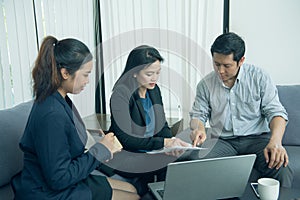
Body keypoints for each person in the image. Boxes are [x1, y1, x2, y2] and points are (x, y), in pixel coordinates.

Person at [11, 36, 140, 200]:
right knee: (133, 198)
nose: (87, 81)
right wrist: (101, 150)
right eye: (85, 75)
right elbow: (58, 179)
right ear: (65, 73)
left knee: (132, 189)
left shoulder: (59, 98)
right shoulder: (51, 114)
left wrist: (97, 141)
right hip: (47, 192)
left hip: (64, 181)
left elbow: (64, 138)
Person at [189, 32, 293, 188]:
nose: (220, 71)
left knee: (282, 168)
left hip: (257, 140)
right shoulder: (205, 84)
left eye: (227, 65)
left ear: (241, 60)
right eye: (217, 64)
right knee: (196, 163)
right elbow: (198, 115)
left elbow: (276, 113)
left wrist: (276, 141)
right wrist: (199, 129)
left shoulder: (259, 77)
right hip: (222, 141)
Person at [108, 45, 190, 195]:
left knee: (182, 159)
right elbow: (126, 139)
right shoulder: (120, 95)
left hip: (151, 151)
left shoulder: (154, 90)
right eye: (149, 74)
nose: (155, 78)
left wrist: (171, 143)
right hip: (128, 155)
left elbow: (163, 126)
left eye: (158, 73)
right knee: (167, 164)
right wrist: (164, 143)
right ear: (134, 73)